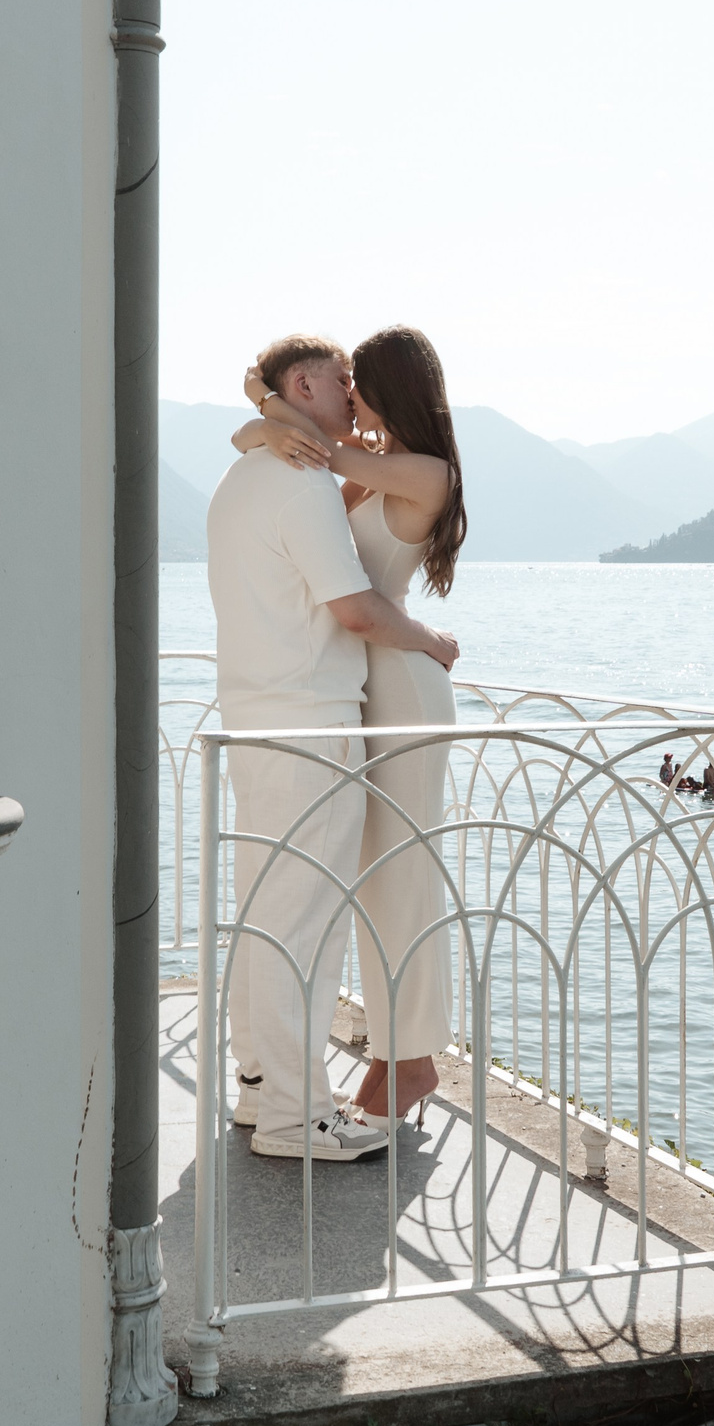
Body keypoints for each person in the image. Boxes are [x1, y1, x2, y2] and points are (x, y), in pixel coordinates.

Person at [207, 333, 460, 1163]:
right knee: (350, 889)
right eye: (341, 382)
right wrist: (266, 418)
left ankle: (409, 1059)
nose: (351, 395)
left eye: (361, 382)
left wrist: (267, 405)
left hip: (403, 685)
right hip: (355, 692)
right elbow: (299, 454)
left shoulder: (423, 472)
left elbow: (312, 446)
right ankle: (343, 1074)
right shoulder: (338, 465)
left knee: (403, 882)